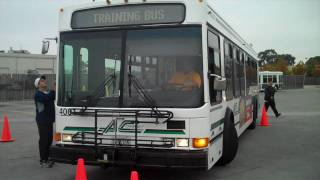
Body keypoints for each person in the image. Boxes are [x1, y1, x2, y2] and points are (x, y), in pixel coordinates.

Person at [34, 76, 55, 168]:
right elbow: (46, 99)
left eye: (44, 80)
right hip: (42, 120)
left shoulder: (47, 93)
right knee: (44, 140)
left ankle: (47, 157)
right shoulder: (38, 94)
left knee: (49, 139)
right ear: (38, 85)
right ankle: (43, 160)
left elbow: (52, 95)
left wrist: (56, 86)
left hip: (48, 120)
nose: (44, 82)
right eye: (42, 81)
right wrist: (53, 89)